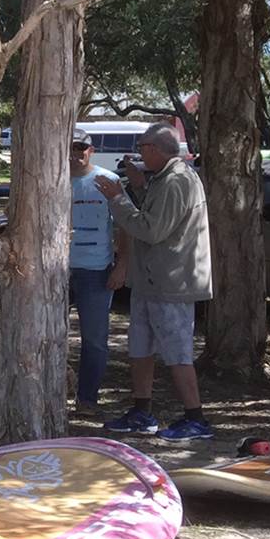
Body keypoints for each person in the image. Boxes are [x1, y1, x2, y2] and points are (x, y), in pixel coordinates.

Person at [95, 122, 212, 439]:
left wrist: (118, 199)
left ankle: (196, 418)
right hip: (149, 281)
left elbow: (151, 230)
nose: (139, 154)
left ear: (155, 149)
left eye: (142, 147)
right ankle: (142, 411)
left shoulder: (177, 180)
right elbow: (157, 213)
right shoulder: (162, 178)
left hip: (170, 283)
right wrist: (138, 187)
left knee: (177, 352)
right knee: (140, 347)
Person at [69, 128, 130, 416]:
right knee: (47, 335)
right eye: (71, 148)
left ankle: (87, 399)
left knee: (94, 340)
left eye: (81, 148)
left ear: (90, 151)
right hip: (55, 271)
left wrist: (121, 266)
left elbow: (125, 224)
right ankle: (50, 393)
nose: (76, 154)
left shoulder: (108, 180)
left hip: (95, 270)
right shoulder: (52, 180)